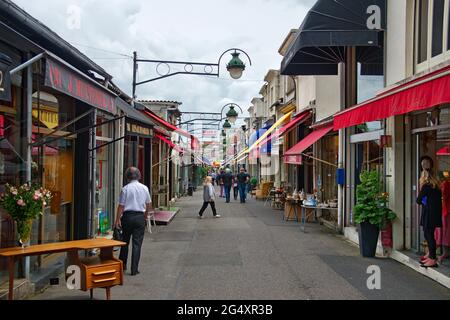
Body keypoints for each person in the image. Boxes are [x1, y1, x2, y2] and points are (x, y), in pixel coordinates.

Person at [114, 167, 152, 276]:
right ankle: (134, 269)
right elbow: (148, 204)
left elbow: (121, 206)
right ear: (138, 176)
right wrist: (145, 216)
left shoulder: (125, 189)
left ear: (127, 176)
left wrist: (117, 220)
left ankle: (123, 266)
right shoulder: (144, 188)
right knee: (137, 244)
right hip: (139, 217)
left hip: (127, 217)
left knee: (124, 243)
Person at [416, 156, 442, 268]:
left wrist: (423, 199)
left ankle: (432, 258)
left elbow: (418, 200)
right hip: (435, 213)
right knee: (430, 234)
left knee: (428, 235)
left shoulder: (426, 186)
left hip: (429, 214)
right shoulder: (436, 186)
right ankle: (431, 256)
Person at [436, 171, 450, 262]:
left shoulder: (445, 184)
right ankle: (444, 252)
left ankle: (445, 253)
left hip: (446, 212)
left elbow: (443, 196)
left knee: (444, 232)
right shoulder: (444, 184)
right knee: (444, 233)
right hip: (444, 211)